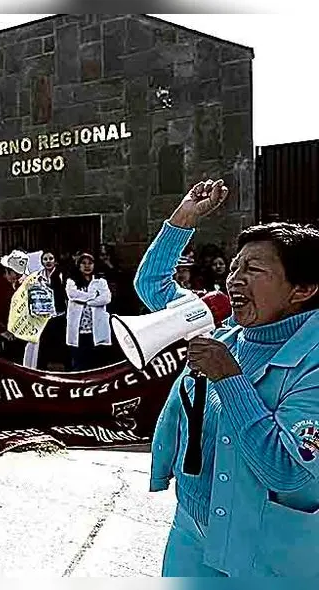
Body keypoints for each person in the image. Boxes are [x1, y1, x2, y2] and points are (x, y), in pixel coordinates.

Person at [137, 179, 319, 577]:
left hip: (271, 553)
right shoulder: (225, 329)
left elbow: (288, 471)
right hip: (192, 534)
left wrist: (230, 379)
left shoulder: (314, 360)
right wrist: (184, 217)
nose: (234, 279)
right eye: (235, 267)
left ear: (303, 288)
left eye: (253, 270)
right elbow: (152, 286)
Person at [64, 253, 112, 371]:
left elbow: (106, 298)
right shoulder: (72, 281)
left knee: (96, 363)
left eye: (90, 263)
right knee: (79, 362)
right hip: (79, 330)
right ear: (78, 265)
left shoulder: (101, 281)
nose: (87, 266)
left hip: (95, 328)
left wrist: (87, 302)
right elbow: (73, 295)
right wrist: (93, 296)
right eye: (83, 263)